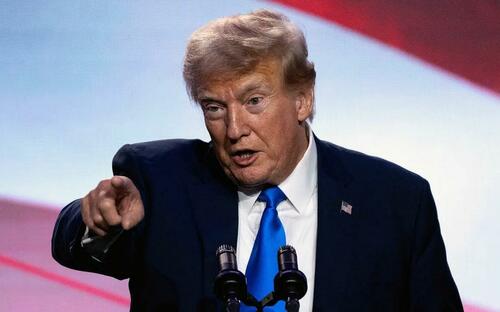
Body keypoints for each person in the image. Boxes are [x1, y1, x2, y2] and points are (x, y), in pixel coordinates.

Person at [52, 9, 463, 311]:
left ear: (303, 98)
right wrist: (100, 224)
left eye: (254, 101)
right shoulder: (163, 180)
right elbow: (70, 243)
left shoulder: (395, 202)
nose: (234, 129)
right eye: (214, 107)